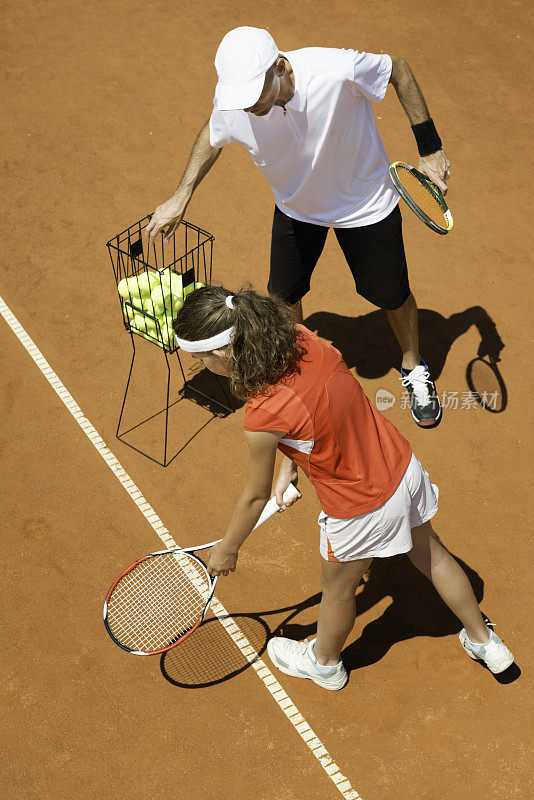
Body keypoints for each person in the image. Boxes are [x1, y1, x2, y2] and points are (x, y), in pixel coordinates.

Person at [172, 286, 514, 690]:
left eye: (197, 357)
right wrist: (290, 467)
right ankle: (486, 642)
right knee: (432, 553)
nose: (198, 364)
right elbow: (314, 412)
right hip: (403, 470)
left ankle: (325, 664)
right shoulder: (304, 339)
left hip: (358, 511)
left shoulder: (263, 416)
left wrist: (227, 549)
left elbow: (254, 497)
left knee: (337, 591)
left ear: (222, 353)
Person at [147, 27, 451, 428]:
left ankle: (412, 366)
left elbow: (399, 70)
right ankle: (299, 373)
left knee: (392, 295)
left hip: (364, 205)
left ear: (280, 67)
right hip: (296, 209)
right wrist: (183, 193)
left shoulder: (335, 70)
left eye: (255, 96)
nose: (248, 108)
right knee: (283, 297)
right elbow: (212, 132)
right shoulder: (237, 101)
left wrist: (429, 147)